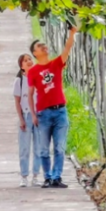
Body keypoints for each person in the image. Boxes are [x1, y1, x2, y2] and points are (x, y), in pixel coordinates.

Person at [27, 24, 76, 188]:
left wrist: (72, 33)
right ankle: (47, 177)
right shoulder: (33, 72)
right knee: (43, 149)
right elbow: (30, 93)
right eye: (39, 46)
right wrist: (33, 114)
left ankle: (56, 177)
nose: (44, 47)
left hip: (60, 111)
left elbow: (67, 49)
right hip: (43, 113)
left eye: (44, 45)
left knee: (60, 147)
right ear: (35, 53)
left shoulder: (56, 64)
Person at [13, 53, 41, 187]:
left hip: (40, 115)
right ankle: (24, 175)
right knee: (24, 147)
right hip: (26, 115)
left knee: (39, 147)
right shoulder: (19, 81)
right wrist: (21, 119)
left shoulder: (40, 77)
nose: (29, 61)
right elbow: (17, 102)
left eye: (30, 59)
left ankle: (36, 175)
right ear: (21, 66)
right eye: (25, 60)